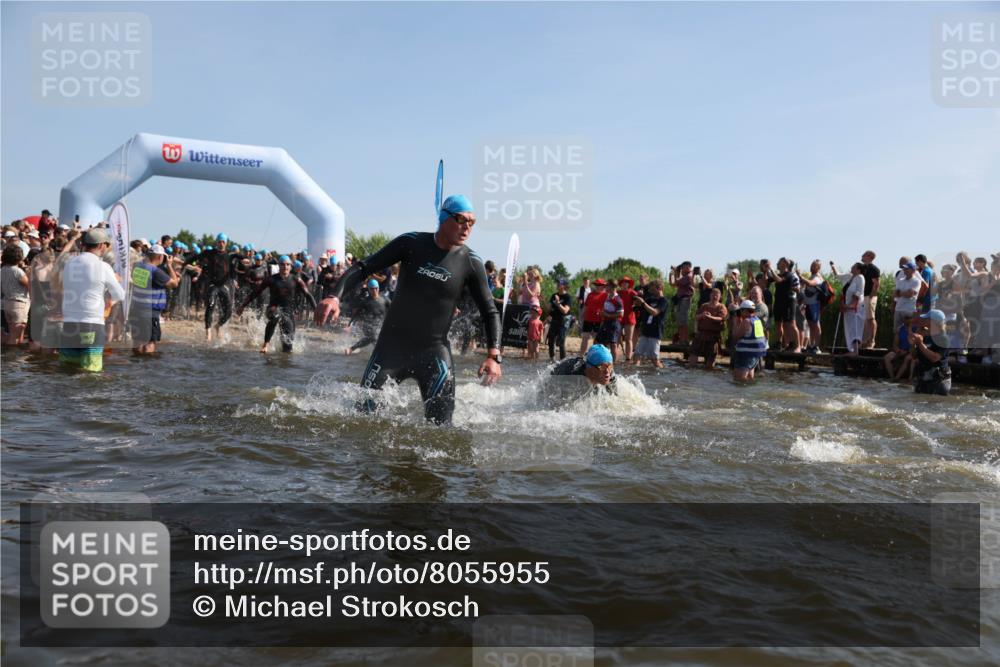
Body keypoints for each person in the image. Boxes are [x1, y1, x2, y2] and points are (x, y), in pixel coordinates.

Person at [324, 194, 502, 425]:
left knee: (442, 430)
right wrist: (334, 297)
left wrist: (494, 356)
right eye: (461, 219)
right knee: (361, 421)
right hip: (391, 348)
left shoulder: (470, 261)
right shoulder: (411, 243)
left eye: (472, 221)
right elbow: (364, 267)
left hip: (434, 352)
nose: (467, 226)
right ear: (444, 217)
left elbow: (490, 311)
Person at [58, 228, 125, 372]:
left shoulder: (70, 263)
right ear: (101, 245)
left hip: (69, 324)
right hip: (91, 324)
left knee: (67, 369)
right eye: (107, 245)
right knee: (91, 372)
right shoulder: (103, 266)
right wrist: (110, 296)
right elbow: (120, 295)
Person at [236, 255, 317, 353]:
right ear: (279, 265)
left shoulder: (296, 279)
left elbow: (308, 294)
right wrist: (243, 306)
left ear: (291, 266)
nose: (285, 267)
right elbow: (256, 293)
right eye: (282, 264)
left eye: (287, 264)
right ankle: (265, 344)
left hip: (288, 312)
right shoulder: (271, 279)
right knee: (276, 315)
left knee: (287, 347)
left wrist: (316, 310)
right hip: (273, 308)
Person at [128, 244, 180, 355]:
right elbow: (174, 284)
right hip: (150, 312)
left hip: (136, 309)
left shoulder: (137, 266)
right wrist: (169, 266)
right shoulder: (156, 271)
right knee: (150, 342)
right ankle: (148, 364)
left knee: (137, 341)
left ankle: (136, 363)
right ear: (160, 257)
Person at [198, 233, 234, 342]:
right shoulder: (211, 253)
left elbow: (233, 270)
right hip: (212, 285)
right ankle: (208, 333)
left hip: (223, 286)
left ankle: (218, 325)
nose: (221, 243)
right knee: (210, 305)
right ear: (217, 242)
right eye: (219, 241)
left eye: (223, 242)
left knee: (228, 311)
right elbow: (198, 257)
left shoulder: (228, 255)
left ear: (226, 243)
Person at [910, 309, 951, 396]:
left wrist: (920, 344)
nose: (924, 320)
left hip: (939, 381)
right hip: (923, 379)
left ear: (933, 322)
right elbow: (913, 356)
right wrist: (914, 343)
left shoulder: (943, 339)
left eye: (927, 319)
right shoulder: (925, 336)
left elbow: (935, 358)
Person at [344, 278, 389, 354]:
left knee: (377, 341)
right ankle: (351, 349)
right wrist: (350, 325)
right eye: (372, 289)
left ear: (378, 288)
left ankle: (378, 354)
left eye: (376, 288)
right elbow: (356, 314)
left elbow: (393, 309)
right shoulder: (365, 301)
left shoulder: (385, 299)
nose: (374, 290)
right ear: (369, 289)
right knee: (373, 337)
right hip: (368, 324)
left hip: (380, 324)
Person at [550, 343, 616, 392]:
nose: (607, 372)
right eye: (603, 367)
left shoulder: (610, 375)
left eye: (610, 366)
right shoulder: (573, 374)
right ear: (590, 367)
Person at [632, 279, 667, 368]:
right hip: (645, 331)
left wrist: (643, 303)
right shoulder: (650, 299)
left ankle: (662, 372)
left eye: (653, 289)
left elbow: (655, 312)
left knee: (654, 359)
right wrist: (637, 300)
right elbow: (638, 305)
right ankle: (635, 373)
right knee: (637, 355)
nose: (651, 291)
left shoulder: (663, 301)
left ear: (659, 288)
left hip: (655, 332)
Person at [689, 287, 728, 369]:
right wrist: (702, 315)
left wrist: (710, 317)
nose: (715, 297)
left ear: (720, 297)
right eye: (713, 295)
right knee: (693, 354)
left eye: (717, 295)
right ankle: (692, 373)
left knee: (710, 360)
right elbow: (696, 317)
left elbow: (721, 318)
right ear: (710, 295)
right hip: (701, 334)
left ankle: (708, 372)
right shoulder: (704, 306)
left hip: (714, 336)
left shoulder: (721, 307)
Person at [731, 299, 768, 382]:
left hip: (746, 354)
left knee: (739, 379)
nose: (739, 313)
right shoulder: (757, 320)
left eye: (741, 310)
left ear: (744, 311)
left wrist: (735, 322)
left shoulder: (746, 321)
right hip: (756, 354)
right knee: (749, 377)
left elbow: (735, 336)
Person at [1, 244, 30, 345]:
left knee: (15, 335)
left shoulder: (2, 270)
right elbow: (29, 285)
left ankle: (11, 353)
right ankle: (11, 355)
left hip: (7, 303)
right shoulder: (17, 271)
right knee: (15, 338)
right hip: (19, 304)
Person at [836, 262, 866, 356]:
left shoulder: (860, 277)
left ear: (858, 270)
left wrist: (851, 305)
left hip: (856, 307)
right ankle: (852, 349)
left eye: (854, 267)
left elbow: (858, 293)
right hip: (847, 307)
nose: (851, 267)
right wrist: (843, 304)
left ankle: (855, 351)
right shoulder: (851, 278)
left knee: (855, 327)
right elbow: (844, 292)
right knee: (849, 328)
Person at [799, 260, 826, 354]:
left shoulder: (817, 277)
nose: (811, 267)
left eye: (814, 266)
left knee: (815, 325)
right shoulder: (812, 276)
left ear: (818, 268)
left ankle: (816, 346)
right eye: (811, 265)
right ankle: (812, 345)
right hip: (809, 304)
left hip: (814, 304)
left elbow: (811, 283)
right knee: (811, 325)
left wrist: (801, 277)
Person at [594, 279, 623, 360]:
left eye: (607, 286)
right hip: (606, 323)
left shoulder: (617, 299)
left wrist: (607, 315)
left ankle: (614, 364)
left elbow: (621, 314)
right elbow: (607, 308)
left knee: (613, 345)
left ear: (611, 287)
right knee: (597, 342)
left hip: (614, 324)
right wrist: (602, 313)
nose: (605, 287)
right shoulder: (608, 296)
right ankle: (601, 360)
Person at [668, 262, 694, 344]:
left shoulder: (689, 276)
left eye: (683, 268)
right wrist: (671, 275)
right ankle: (681, 339)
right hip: (681, 300)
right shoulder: (685, 277)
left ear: (688, 267)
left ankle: (684, 340)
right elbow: (674, 284)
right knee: (680, 320)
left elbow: (677, 282)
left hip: (685, 299)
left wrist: (676, 272)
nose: (681, 270)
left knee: (683, 320)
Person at [892, 261, 921, 335]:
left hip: (909, 309)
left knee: (909, 331)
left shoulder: (916, 281)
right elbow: (894, 294)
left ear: (913, 270)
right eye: (904, 268)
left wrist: (900, 293)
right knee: (896, 332)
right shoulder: (900, 280)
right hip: (898, 308)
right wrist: (905, 293)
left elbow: (910, 294)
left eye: (907, 269)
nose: (904, 270)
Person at [579, 278, 606, 356]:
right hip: (588, 319)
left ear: (603, 286)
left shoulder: (605, 295)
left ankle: (597, 356)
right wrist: (581, 316)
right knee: (585, 338)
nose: (598, 286)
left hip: (599, 320)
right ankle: (581, 356)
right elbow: (586, 306)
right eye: (596, 285)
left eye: (600, 285)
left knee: (597, 339)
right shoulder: (590, 294)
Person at [546, 279, 572, 360]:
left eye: (559, 283)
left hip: (563, 321)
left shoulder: (568, 297)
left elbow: (565, 311)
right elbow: (548, 309)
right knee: (550, 341)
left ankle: (562, 361)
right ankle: (552, 359)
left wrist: (558, 303)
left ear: (564, 286)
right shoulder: (554, 295)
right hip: (554, 320)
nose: (557, 285)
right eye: (557, 283)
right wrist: (543, 300)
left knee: (561, 342)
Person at [860, 250, 881, 349]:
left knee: (871, 318)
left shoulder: (874, 269)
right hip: (863, 296)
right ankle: (865, 341)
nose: (862, 256)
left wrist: (872, 296)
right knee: (864, 319)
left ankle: (872, 341)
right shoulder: (862, 268)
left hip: (870, 296)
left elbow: (877, 284)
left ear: (870, 257)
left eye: (864, 255)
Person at [618, 276, 638, 361]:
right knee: (617, 338)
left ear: (629, 284)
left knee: (628, 339)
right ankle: (616, 356)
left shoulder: (633, 293)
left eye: (626, 282)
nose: (625, 283)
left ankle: (628, 358)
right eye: (623, 282)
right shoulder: (618, 293)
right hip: (619, 318)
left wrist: (635, 304)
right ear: (621, 284)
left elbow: (638, 302)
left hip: (630, 318)